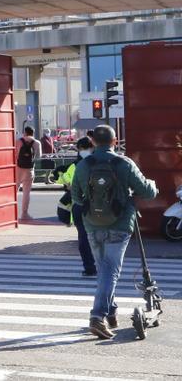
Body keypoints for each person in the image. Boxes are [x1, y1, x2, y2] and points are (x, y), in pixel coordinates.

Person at [71, 125, 158, 339]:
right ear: (115, 141)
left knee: (104, 270)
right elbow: (147, 192)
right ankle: (97, 316)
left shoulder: (84, 165)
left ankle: (110, 311)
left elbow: (75, 195)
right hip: (119, 225)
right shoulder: (124, 163)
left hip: (92, 225)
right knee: (111, 271)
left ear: (92, 142)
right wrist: (152, 185)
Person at [58, 137, 98, 277]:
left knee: (83, 237)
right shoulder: (102, 161)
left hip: (80, 205)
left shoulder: (75, 165)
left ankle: (89, 267)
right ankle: (105, 267)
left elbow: (67, 183)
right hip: (99, 205)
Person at [16, 126, 41, 220]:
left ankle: (10, 212)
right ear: (33, 133)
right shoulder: (37, 143)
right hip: (29, 170)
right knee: (26, 193)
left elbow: (14, 154)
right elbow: (38, 157)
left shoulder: (18, 141)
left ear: (24, 132)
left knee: (14, 190)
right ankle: (24, 214)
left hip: (18, 168)